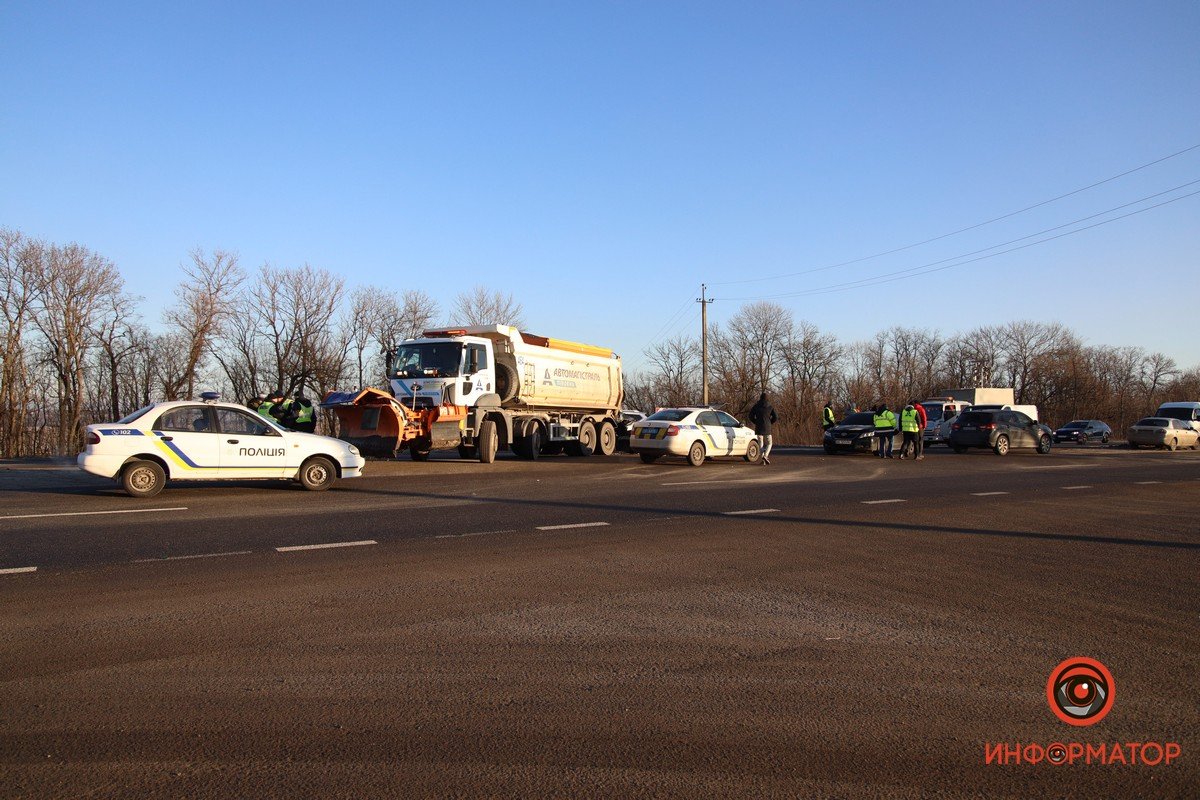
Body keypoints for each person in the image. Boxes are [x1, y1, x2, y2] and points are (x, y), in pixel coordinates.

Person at [748, 391, 777, 465]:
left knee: (760, 443)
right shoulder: (770, 406)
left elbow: (750, 416)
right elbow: (775, 417)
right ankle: (766, 456)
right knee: (769, 443)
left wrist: (755, 422)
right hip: (767, 427)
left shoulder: (756, 406)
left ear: (760, 398)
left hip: (759, 427)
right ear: (767, 399)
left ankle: (763, 457)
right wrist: (770, 422)